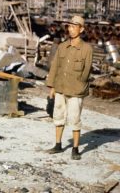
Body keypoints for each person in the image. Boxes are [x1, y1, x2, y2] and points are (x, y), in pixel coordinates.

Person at [45, 15, 93, 160]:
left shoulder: (86, 49)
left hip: (76, 91)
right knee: (58, 117)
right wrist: (52, 86)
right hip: (60, 87)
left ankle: (75, 149)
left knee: (75, 119)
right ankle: (58, 145)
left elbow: (86, 71)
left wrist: (79, 85)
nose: (71, 30)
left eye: (74, 26)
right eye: (69, 27)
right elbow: (55, 67)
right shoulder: (62, 47)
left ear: (81, 29)